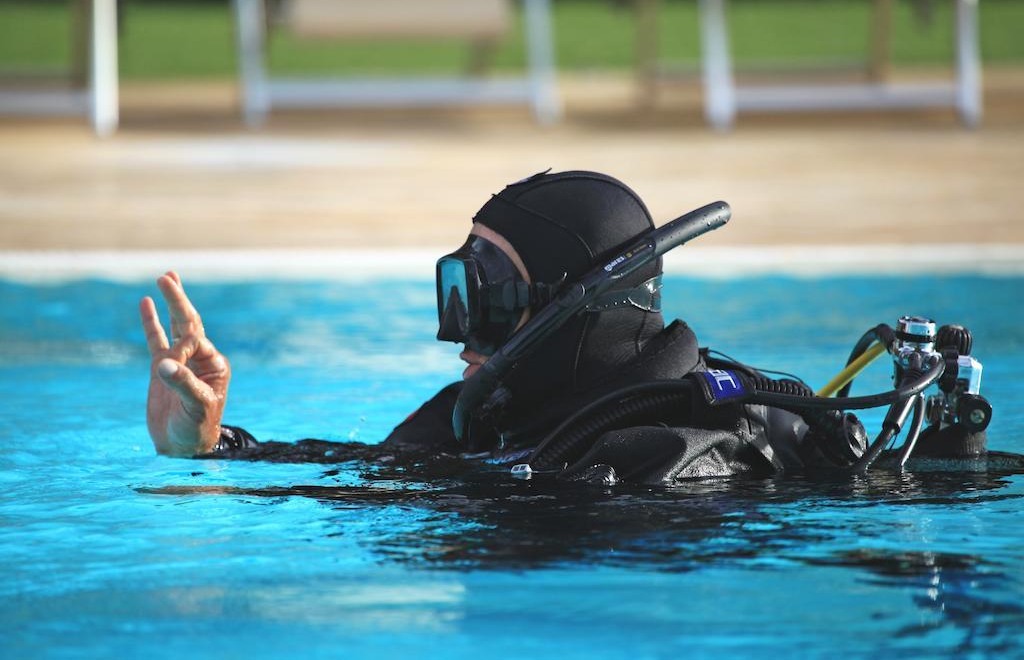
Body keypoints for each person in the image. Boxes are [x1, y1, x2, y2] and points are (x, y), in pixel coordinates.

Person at [140, 170, 990, 484]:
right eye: (458, 289)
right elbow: (372, 476)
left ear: (575, 312)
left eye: (490, 294)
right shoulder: (503, 421)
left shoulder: (655, 460)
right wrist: (214, 449)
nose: (464, 330)